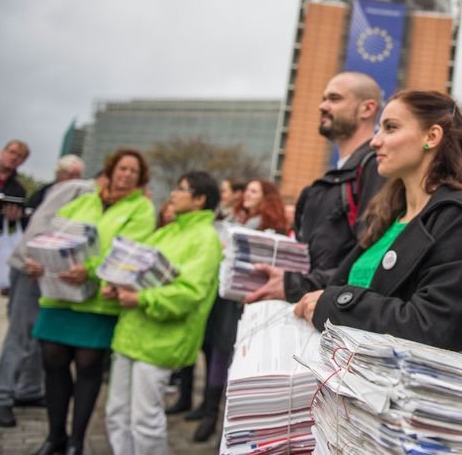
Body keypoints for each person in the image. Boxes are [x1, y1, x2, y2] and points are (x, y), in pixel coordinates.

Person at [292, 90, 462, 351]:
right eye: (379, 129)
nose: (375, 141)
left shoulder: (460, 218)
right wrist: (289, 286)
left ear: (431, 137)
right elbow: (345, 281)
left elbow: (436, 326)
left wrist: (334, 304)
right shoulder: (389, 213)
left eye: (391, 128)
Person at [28, 148, 156, 455]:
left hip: (98, 300)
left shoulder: (141, 209)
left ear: (140, 180)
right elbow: (55, 236)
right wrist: (41, 261)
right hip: (60, 296)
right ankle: (55, 435)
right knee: (53, 360)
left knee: (88, 366)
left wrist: (89, 269)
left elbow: (127, 250)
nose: (125, 175)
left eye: (133, 172)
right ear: (110, 170)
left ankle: (76, 440)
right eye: (121, 168)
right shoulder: (84, 201)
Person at [103, 171, 221, 455]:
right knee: (116, 413)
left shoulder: (205, 239)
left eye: (181, 189)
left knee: (145, 420)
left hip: (162, 340)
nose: (173, 194)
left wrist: (141, 298)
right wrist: (117, 286)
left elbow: (189, 293)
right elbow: (136, 270)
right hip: (132, 333)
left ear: (199, 199)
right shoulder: (166, 231)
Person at [244, 71, 386, 303]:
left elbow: (370, 260)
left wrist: (294, 285)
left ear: (367, 109)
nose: (322, 106)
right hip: (311, 307)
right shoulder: (329, 181)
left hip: (336, 314)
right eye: (323, 98)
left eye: (334, 98)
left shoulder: (376, 168)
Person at [186, 177, 289, 442]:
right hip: (227, 300)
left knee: (239, 361)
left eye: (254, 191)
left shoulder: (273, 228)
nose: (247, 195)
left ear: (267, 197)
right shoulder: (236, 222)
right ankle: (210, 415)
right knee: (219, 355)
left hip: (250, 303)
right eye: (248, 191)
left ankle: (233, 423)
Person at [0, 157, 87, 429]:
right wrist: (27, 263)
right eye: (72, 174)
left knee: (40, 335)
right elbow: (37, 230)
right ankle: (2, 395)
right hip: (32, 269)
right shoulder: (66, 193)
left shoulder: (73, 194)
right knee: (20, 334)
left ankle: (28, 390)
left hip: (51, 273)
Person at [0, 140, 30, 296]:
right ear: (2, 152)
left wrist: (12, 220)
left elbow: (12, 232)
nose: (14, 158)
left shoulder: (18, 190)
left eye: (20, 156)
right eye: (11, 152)